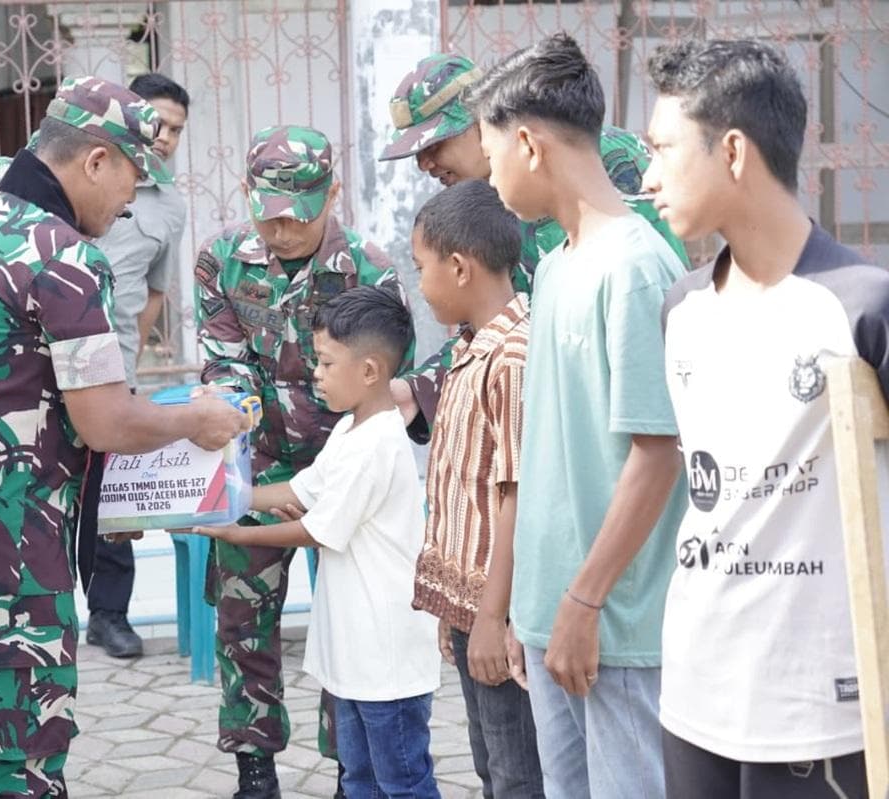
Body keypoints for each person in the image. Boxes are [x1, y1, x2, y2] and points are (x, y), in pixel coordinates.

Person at [0, 76, 248, 797]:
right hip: (14, 561)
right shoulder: (63, 257)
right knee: (16, 768)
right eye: (130, 177)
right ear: (95, 160)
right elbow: (106, 420)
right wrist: (196, 419)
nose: (129, 204)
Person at [645, 39, 885, 798]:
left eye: (662, 148)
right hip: (695, 694)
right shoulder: (682, 308)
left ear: (735, 152)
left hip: (822, 708)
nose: (647, 176)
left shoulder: (861, 305)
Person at [469, 33, 688, 797]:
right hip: (554, 616)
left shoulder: (631, 267)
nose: (491, 178)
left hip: (614, 627)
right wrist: (535, 608)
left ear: (527, 144)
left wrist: (583, 599)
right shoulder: (558, 263)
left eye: (492, 155)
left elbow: (658, 452)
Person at [195, 124, 427, 799]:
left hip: (345, 467)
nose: (285, 229)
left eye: (302, 212)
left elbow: (383, 378)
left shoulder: (369, 266)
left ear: (332, 194)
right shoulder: (222, 260)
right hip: (261, 466)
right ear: (249, 195)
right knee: (243, 625)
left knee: (347, 624)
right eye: (271, 213)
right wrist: (232, 480)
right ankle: (255, 767)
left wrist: (331, 473)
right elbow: (226, 367)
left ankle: (346, 768)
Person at [377, 51, 687, 436]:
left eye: (434, 145)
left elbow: (656, 301)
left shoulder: (603, 162)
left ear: (478, 119)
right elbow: (490, 327)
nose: (425, 164)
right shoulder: (482, 203)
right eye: (417, 153)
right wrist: (416, 390)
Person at [409, 180, 544, 798]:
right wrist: (457, 614)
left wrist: (491, 618)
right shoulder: (470, 349)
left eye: (421, 268)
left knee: (518, 775)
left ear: (459, 266)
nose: (418, 284)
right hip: (475, 610)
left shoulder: (511, 358)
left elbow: (517, 495)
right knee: (491, 764)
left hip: (503, 612)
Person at [78, 73, 191, 660]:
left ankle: (108, 613)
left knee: (109, 490)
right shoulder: (81, 171)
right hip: (46, 350)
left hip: (112, 357)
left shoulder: (168, 205)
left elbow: (153, 293)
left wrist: (132, 363)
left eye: (175, 128)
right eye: (157, 122)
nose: (165, 136)